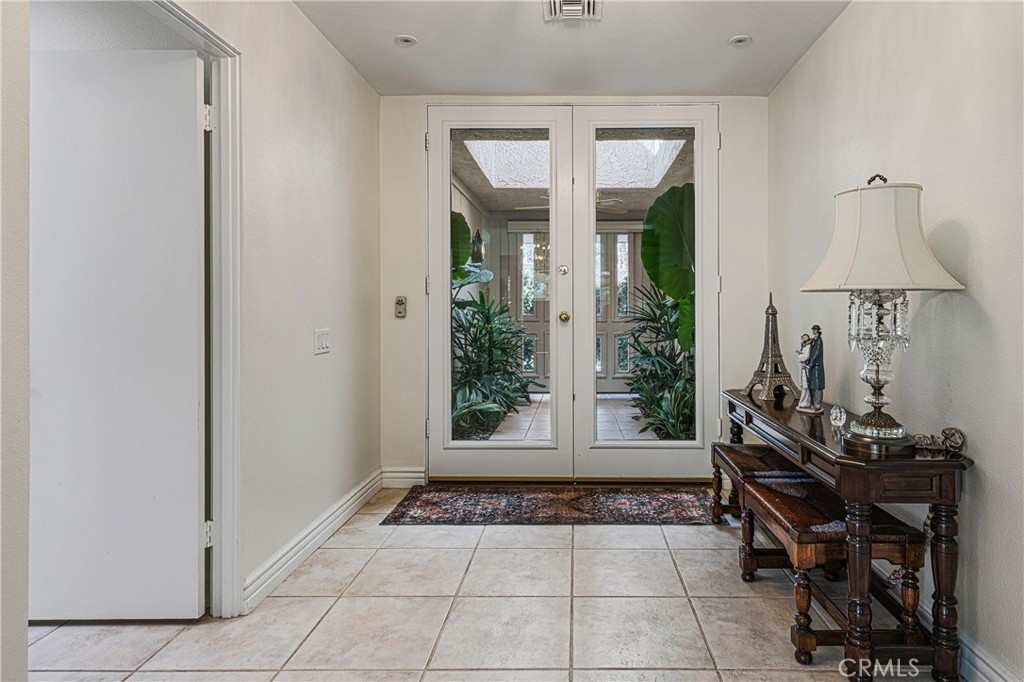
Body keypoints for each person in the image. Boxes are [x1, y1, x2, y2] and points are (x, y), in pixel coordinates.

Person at [800, 324, 825, 413]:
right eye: (813, 330)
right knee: (813, 385)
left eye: (814, 330)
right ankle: (814, 404)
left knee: (818, 386)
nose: (813, 331)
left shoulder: (819, 341)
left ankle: (817, 404)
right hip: (812, 366)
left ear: (818, 331)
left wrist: (810, 364)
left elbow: (817, 353)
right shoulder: (814, 340)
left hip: (816, 366)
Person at [796, 334, 813, 410]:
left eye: (805, 337)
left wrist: (800, 356)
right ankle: (804, 402)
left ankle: (806, 402)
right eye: (803, 337)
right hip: (803, 366)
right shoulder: (804, 346)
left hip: (805, 367)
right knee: (804, 385)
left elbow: (806, 356)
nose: (804, 338)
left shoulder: (808, 346)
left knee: (806, 385)